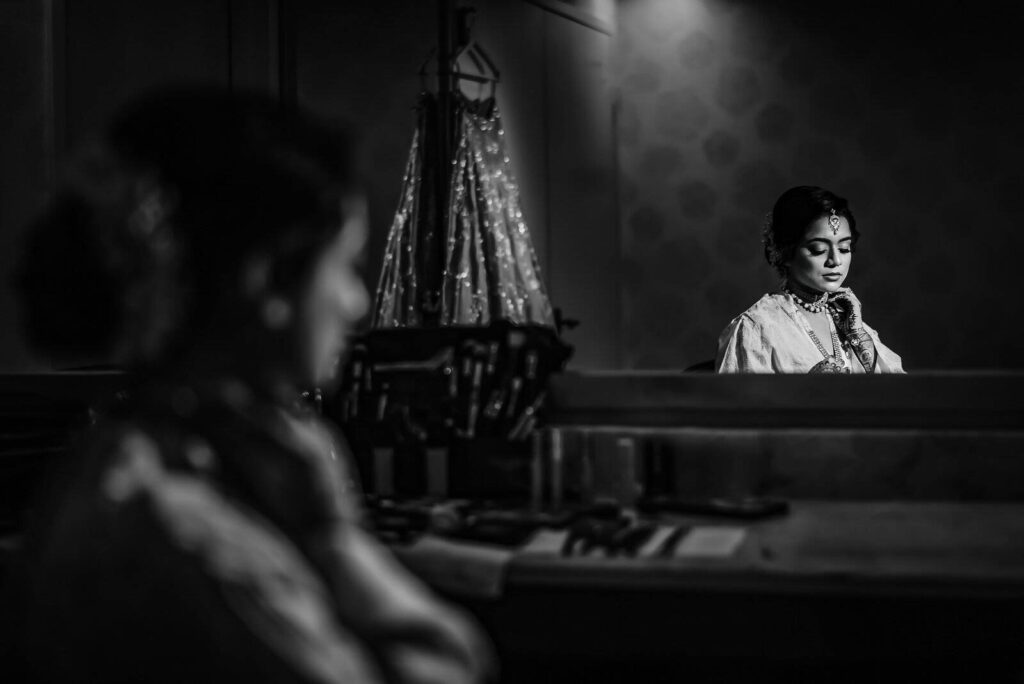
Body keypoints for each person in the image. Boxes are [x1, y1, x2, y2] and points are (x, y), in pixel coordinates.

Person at [11, 88, 492, 683]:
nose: (356, 301)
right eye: (343, 265)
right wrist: (335, 541)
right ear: (266, 280)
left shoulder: (138, 461)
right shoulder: (198, 548)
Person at [716, 186, 903, 374]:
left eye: (845, 248)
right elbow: (740, 401)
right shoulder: (757, 328)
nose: (835, 261)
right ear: (786, 253)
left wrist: (858, 335)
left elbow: (899, 395)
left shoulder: (852, 323)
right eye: (818, 250)